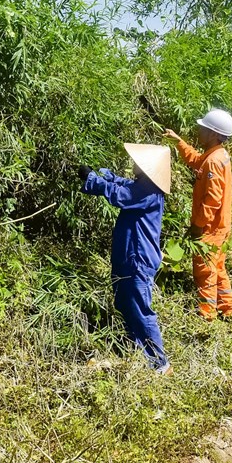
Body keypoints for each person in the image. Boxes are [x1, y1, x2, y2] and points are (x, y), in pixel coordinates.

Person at [79, 143, 172, 373]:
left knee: (140, 309)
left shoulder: (148, 191)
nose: (133, 164)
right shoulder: (144, 186)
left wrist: (93, 179)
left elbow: (122, 195)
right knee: (125, 304)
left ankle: (161, 364)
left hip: (138, 260)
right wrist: (104, 175)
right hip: (129, 256)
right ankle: (137, 351)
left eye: (137, 162)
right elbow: (123, 184)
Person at [163, 109, 232, 321]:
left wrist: (198, 224)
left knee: (205, 270)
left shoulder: (213, 161)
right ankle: (227, 308)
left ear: (213, 134)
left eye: (203, 128)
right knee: (218, 267)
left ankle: (207, 314)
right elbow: (196, 160)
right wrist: (179, 142)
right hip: (220, 226)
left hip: (210, 228)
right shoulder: (217, 155)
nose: (198, 131)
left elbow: (213, 200)